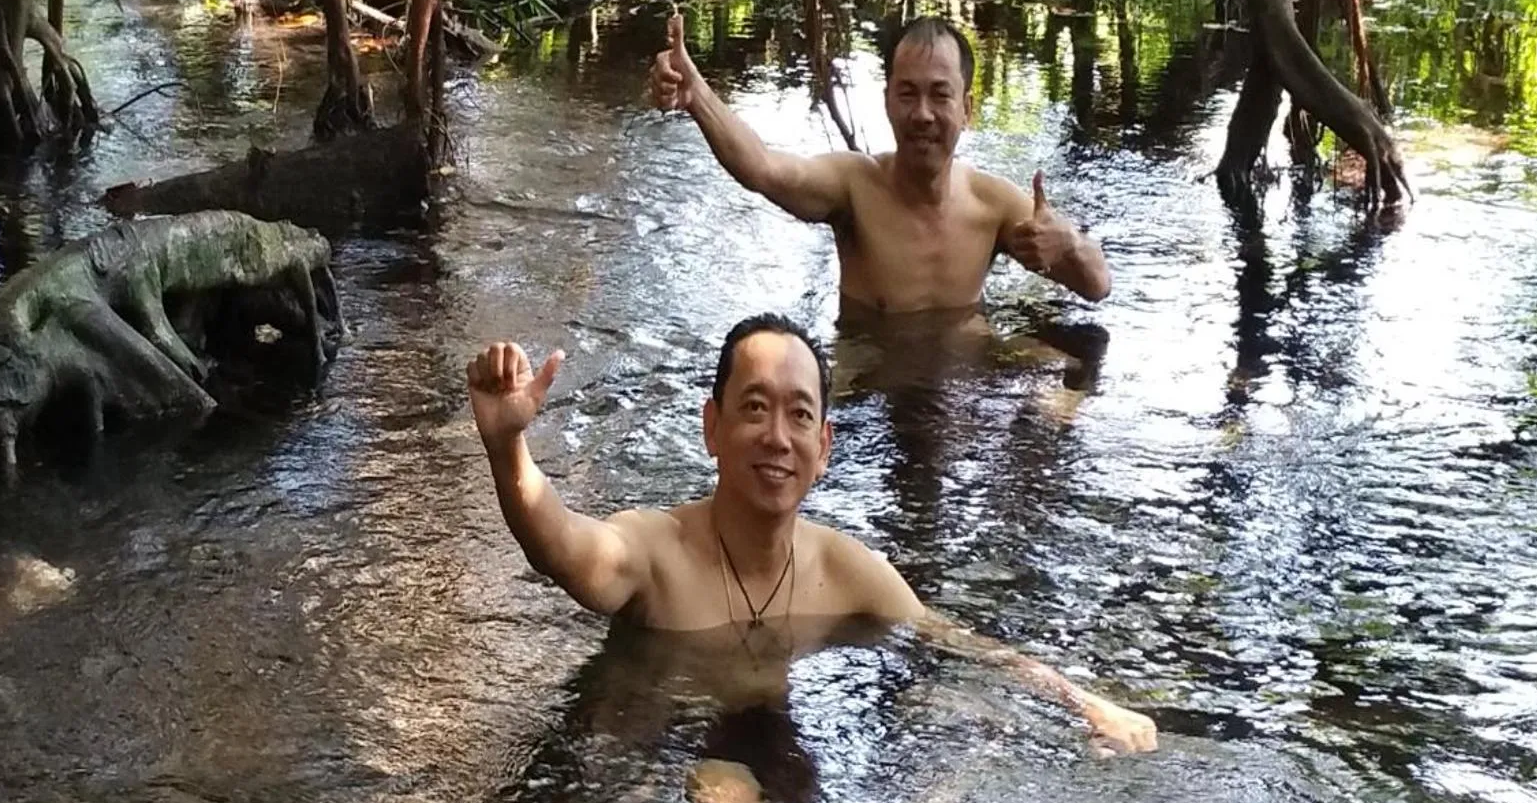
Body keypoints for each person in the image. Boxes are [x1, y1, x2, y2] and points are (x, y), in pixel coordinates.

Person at [467, 313, 1157, 754]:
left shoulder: (845, 569)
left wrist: (1084, 702)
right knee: (724, 801)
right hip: (652, 742)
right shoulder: (654, 553)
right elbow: (563, 547)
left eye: (799, 416)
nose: (777, 437)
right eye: (755, 408)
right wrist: (508, 451)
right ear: (712, 428)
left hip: (780, 745)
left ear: (825, 447)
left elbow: (958, 645)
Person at [648, 14, 1112, 312]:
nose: (923, 114)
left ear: (966, 110)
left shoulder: (993, 206)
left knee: (1060, 373)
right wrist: (697, 98)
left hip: (959, 387)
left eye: (940, 95)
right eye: (907, 93)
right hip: (871, 390)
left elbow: (1097, 287)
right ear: (887, 101)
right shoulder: (854, 187)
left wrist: (1068, 242)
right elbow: (763, 167)